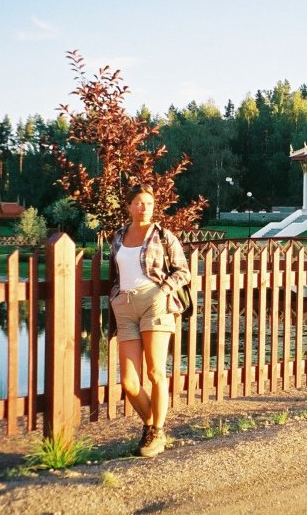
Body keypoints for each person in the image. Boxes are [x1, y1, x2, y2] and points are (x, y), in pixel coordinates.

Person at [109, 184, 190, 457]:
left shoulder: (163, 236)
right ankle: (154, 429)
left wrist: (163, 290)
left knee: (155, 373)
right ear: (129, 206)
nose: (144, 208)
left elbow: (183, 271)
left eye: (149, 203)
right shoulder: (118, 236)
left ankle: (154, 433)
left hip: (154, 303)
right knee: (130, 382)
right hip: (124, 306)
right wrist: (116, 297)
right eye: (139, 203)